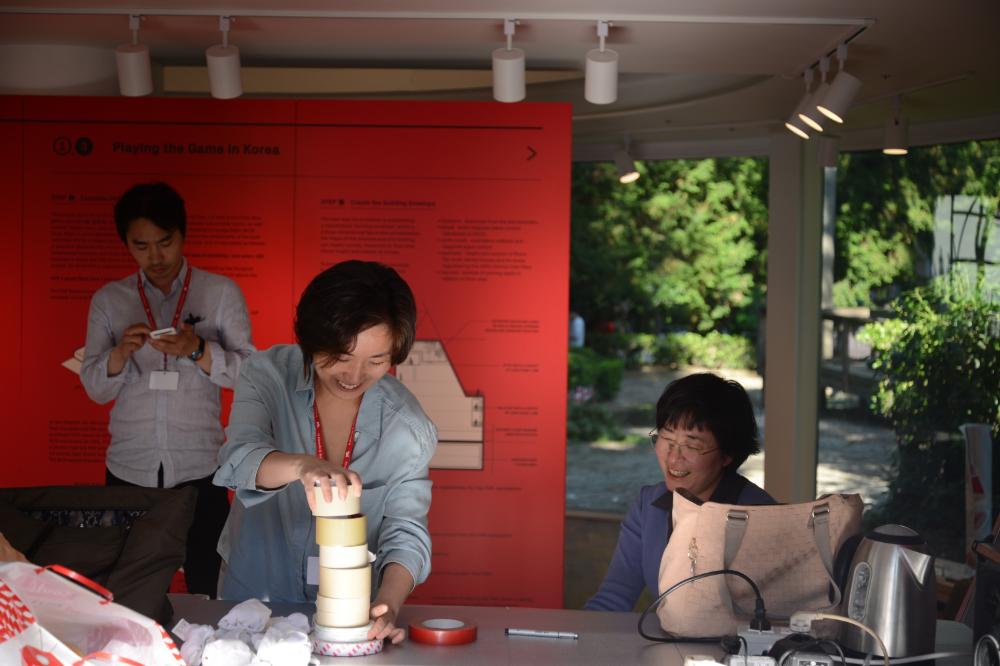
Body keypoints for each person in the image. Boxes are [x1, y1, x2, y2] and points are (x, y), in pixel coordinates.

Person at [214, 260, 436, 645]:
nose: (353, 376)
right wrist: (302, 466)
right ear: (311, 340)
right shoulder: (268, 375)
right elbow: (239, 459)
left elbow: (407, 531)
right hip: (255, 593)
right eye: (340, 356)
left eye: (377, 361)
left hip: (349, 613)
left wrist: (388, 602)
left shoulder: (409, 429)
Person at [80, 182, 254, 597]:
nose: (155, 257)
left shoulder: (220, 292)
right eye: (141, 246)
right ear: (126, 243)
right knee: (126, 585)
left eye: (165, 242)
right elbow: (94, 388)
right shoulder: (110, 300)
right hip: (129, 465)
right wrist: (120, 354)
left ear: (182, 235)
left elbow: (250, 375)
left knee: (206, 581)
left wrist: (197, 350)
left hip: (200, 465)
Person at [585, 372, 774, 611]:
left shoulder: (763, 516)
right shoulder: (649, 506)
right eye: (667, 439)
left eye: (692, 446)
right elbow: (613, 598)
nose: (674, 458)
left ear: (727, 455)